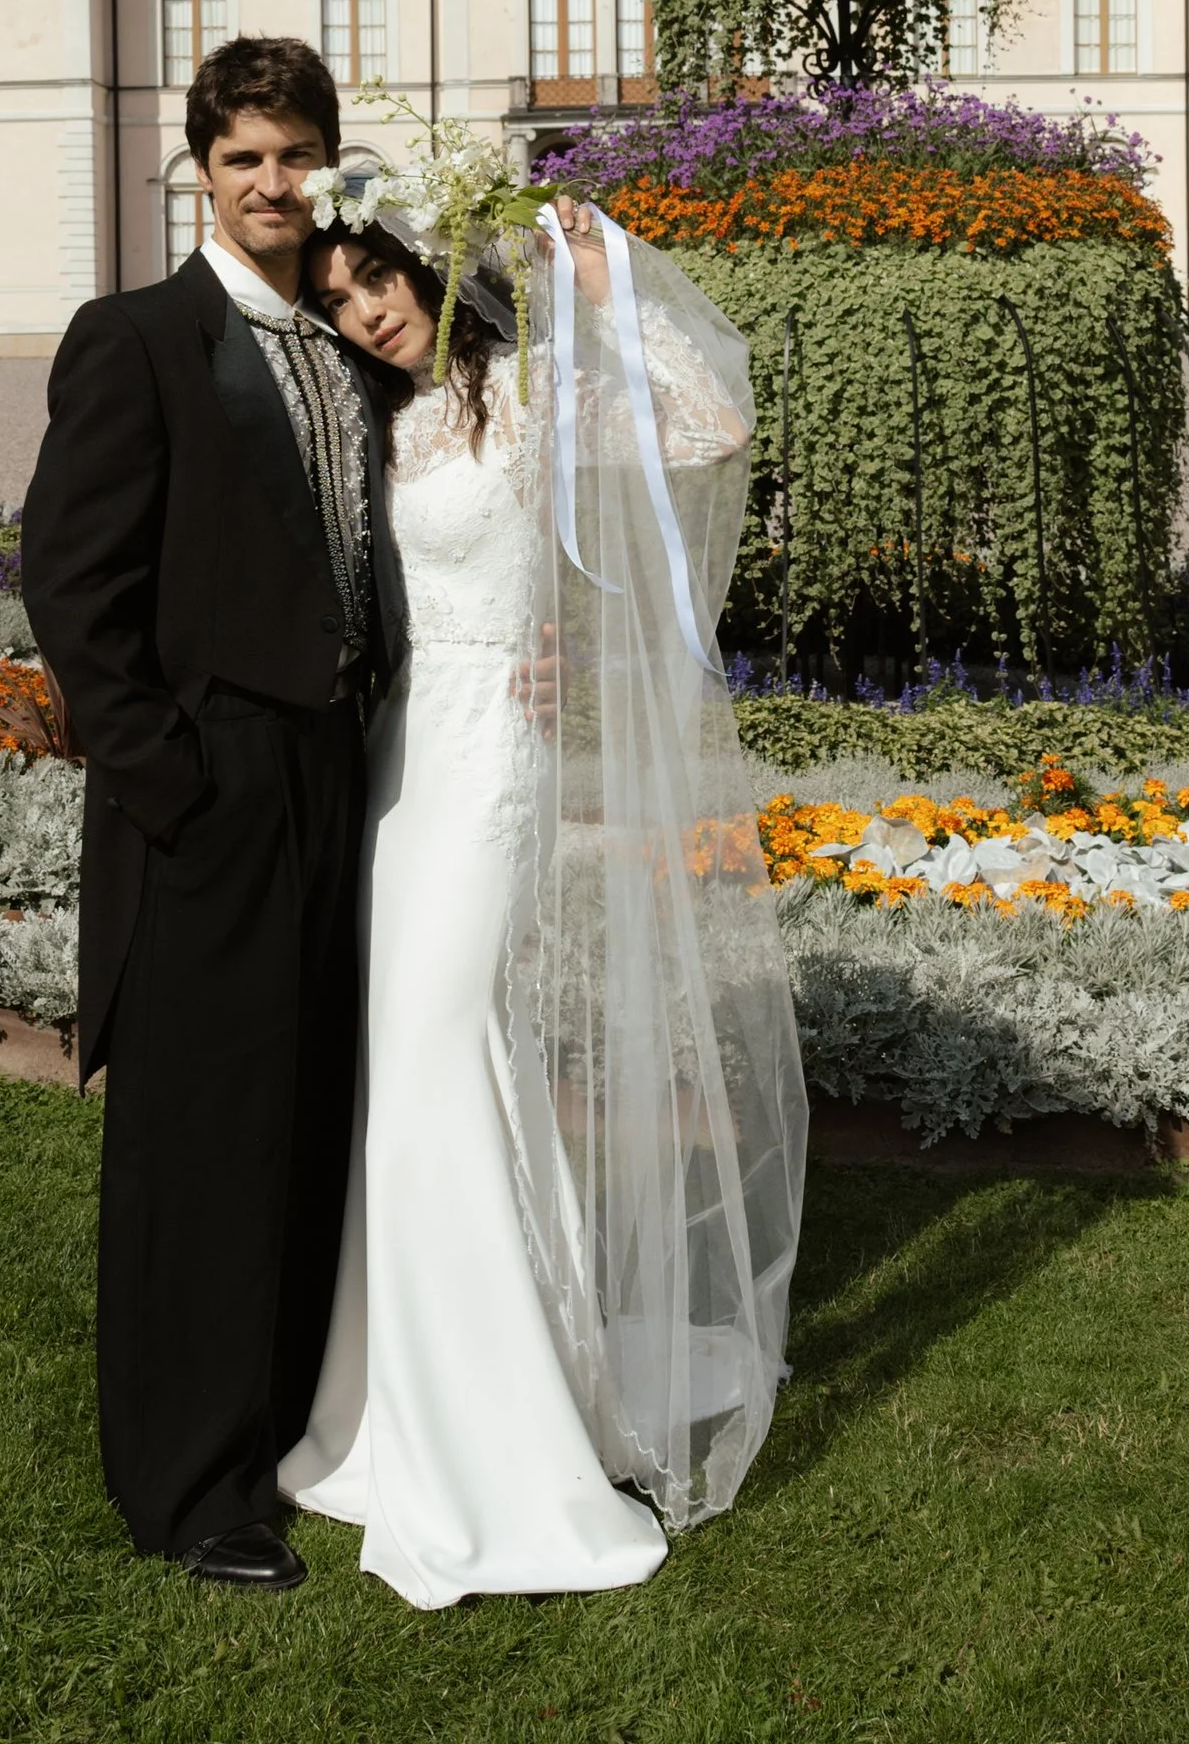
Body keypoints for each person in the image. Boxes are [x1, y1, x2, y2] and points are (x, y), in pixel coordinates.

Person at [278, 188, 808, 1611]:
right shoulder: (384, 422)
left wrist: (600, 281)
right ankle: (409, 1387)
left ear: (420, 265)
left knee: (442, 1041)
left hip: (493, 769)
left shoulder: (523, 388)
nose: (364, 309)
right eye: (335, 298)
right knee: (424, 1064)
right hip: (405, 757)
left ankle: (491, 1429)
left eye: (374, 276)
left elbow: (708, 431)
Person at [20, 35, 398, 1591]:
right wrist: (168, 782)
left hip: (337, 780)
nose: (271, 181)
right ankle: (187, 1486)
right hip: (208, 790)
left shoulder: (355, 333)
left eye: (295, 152)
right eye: (244, 156)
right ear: (199, 169)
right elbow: (73, 582)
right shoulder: (137, 337)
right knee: (201, 1142)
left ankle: (286, 1425)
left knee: (306, 1114)